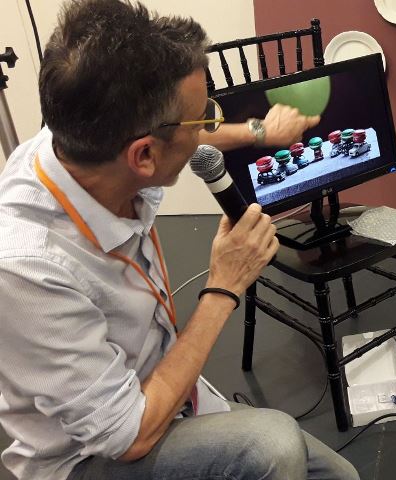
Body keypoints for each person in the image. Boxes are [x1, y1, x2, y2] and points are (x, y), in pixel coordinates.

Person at [0, 1, 357, 479]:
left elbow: (178, 136)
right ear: (143, 157)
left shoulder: (84, 141)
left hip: (159, 390)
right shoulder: (26, 268)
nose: (207, 127)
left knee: (338, 476)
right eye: (203, 117)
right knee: (272, 446)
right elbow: (128, 435)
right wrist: (224, 286)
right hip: (92, 455)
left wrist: (259, 131)